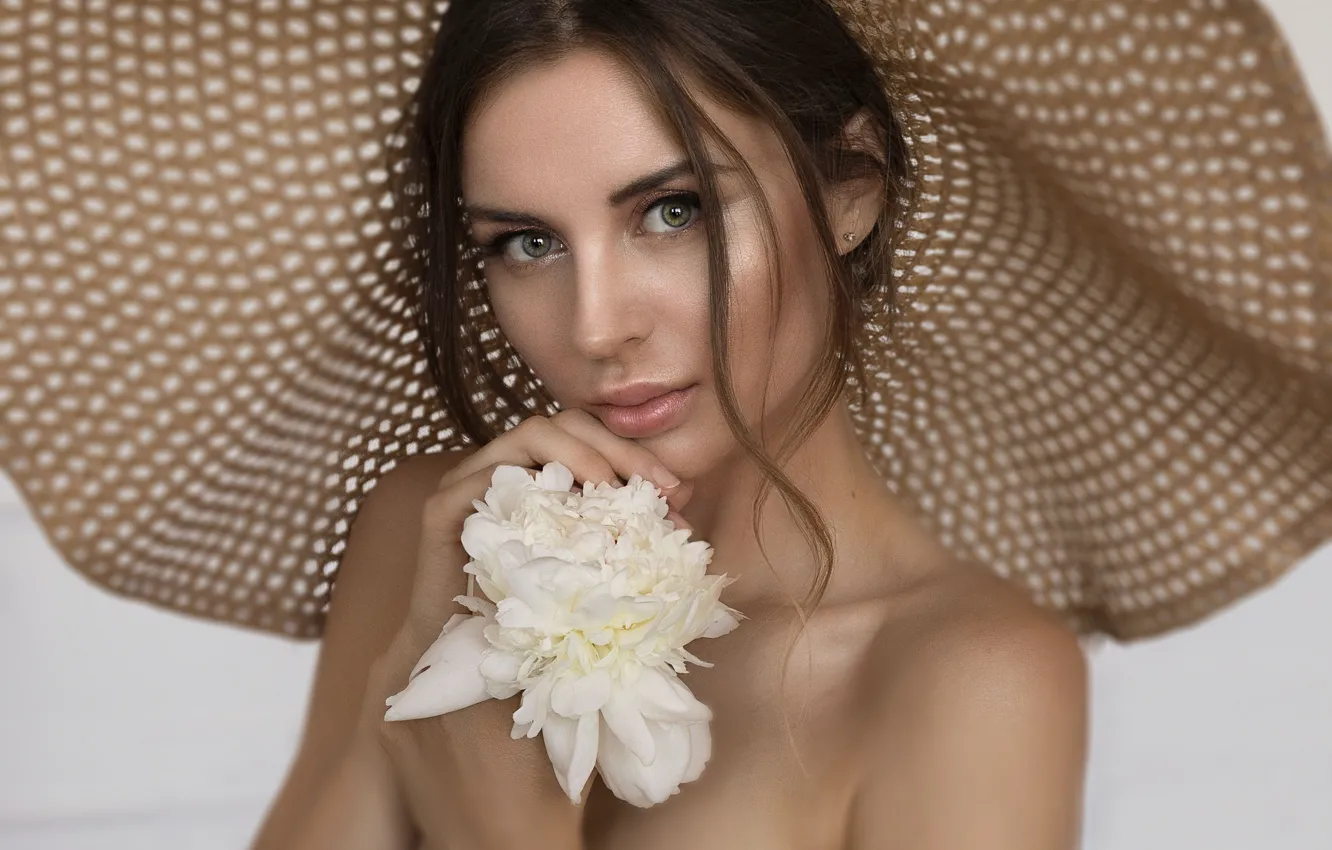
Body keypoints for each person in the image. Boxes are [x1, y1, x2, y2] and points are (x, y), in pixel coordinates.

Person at [0, 0, 1327, 848]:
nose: (595, 325)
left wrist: (491, 830)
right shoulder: (428, 534)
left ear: (849, 186)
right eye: (524, 241)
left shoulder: (967, 677)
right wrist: (410, 662)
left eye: (673, 211)